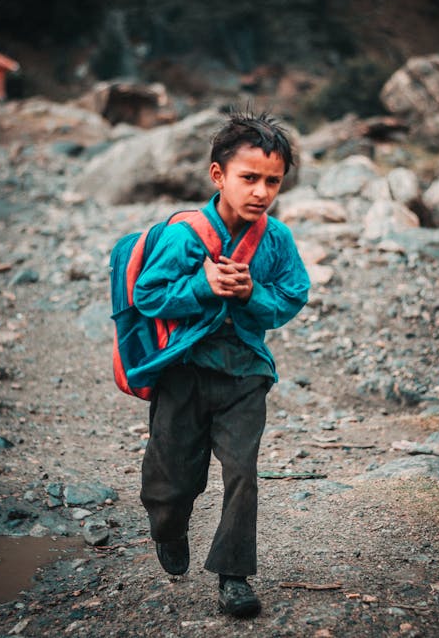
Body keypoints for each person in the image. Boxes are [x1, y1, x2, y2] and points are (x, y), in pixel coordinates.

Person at [133, 112, 310, 617]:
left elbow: (292, 295)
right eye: (248, 178)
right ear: (218, 176)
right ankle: (169, 528)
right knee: (168, 483)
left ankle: (234, 575)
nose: (260, 191)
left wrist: (253, 294)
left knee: (242, 472)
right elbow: (149, 294)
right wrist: (200, 287)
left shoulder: (275, 240)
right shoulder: (186, 236)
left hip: (245, 373)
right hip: (183, 370)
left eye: (272, 181)